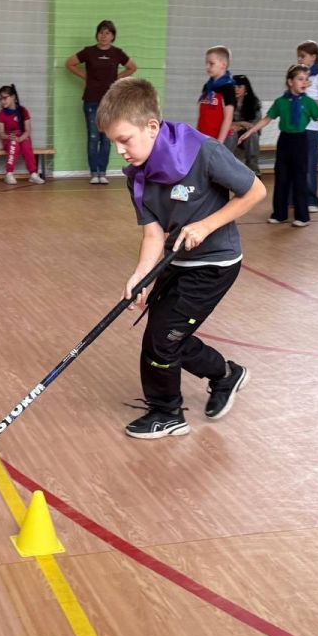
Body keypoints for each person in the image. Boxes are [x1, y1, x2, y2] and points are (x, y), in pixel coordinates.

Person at [96, 77, 266, 439]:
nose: (120, 151)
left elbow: (255, 191)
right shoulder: (137, 176)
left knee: (163, 339)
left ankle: (167, 413)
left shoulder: (203, 151)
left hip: (215, 264)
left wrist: (206, 225)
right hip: (176, 262)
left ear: (151, 126)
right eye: (114, 143)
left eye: (125, 139)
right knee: (167, 336)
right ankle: (225, 374)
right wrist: (140, 276)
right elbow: (153, 233)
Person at [239, 65, 318, 227]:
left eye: (306, 79)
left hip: (301, 141)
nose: (304, 82)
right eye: (300, 79)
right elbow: (266, 119)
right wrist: (250, 131)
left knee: (300, 178)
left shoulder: (308, 102)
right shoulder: (280, 102)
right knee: (282, 177)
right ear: (290, 82)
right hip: (285, 141)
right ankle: (279, 214)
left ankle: (302, 217)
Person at [66, 20, 137, 184]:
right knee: (93, 137)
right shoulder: (89, 52)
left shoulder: (117, 53)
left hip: (110, 102)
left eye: (107, 33)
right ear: (97, 34)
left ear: (112, 36)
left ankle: (102, 173)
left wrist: (116, 78)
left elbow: (132, 67)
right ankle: (93, 173)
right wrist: (86, 77)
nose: (103, 36)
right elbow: (70, 64)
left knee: (106, 138)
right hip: (91, 100)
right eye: (101, 32)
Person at [296, 41, 318, 212]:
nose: (299, 59)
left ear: (313, 57)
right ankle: (294, 198)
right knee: (294, 164)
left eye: (302, 56)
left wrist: (306, 103)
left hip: (310, 128)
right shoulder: (297, 75)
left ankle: (311, 200)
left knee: (309, 165)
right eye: (298, 56)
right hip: (294, 127)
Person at [0, 84, 45, 185]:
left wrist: (20, 138)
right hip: (9, 139)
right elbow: (1, 134)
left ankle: (33, 174)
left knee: (26, 145)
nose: (2, 101)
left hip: (22, 137)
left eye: (5, 98)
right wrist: (9, 137)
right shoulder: (1, 114)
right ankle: (9, 174)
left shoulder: (23, 111)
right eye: (0, 99)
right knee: (14, 144)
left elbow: (27, 131)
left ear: (13, 97)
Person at [196, 46, 236, 144]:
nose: (207, 67)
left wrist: (219, 142)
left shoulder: (227, 88)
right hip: (205, 137)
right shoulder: (207, 87)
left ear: (223, 65)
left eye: (211, 63)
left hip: (220, 139)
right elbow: (203, 114)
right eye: (206, 63)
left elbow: (228, 117)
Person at [228, 74, 262, 176]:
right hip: (232, 134)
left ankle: (253, 171)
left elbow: (254, 125)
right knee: (231, 134)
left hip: (247, 135)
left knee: (252, 135)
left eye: (239, 86)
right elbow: (224, 123)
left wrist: (238, 126)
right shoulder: (227, 102)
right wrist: (242, 124)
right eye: (234, 87)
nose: (236, 89)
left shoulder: (254, 102)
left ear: (246, 89)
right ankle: (226, 171)